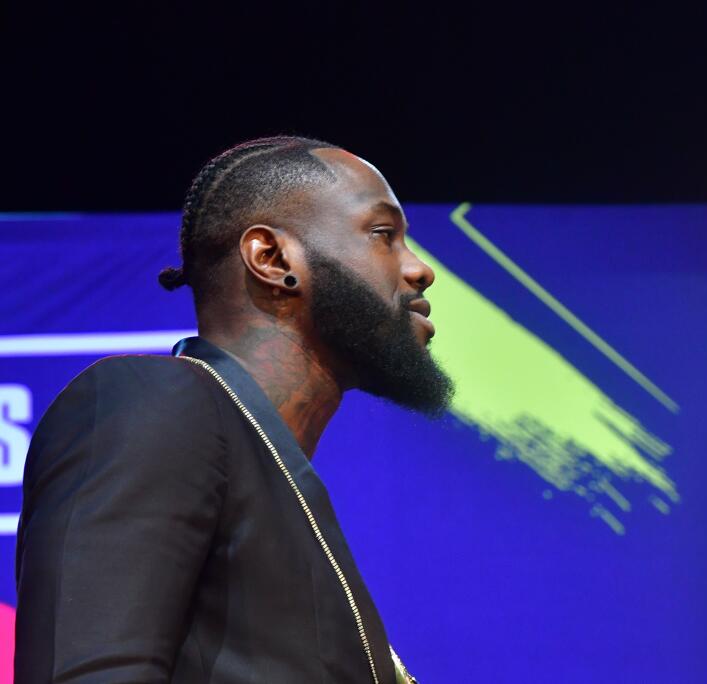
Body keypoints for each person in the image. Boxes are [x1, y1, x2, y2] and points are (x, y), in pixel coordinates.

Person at [15, 136, 452, 683]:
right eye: (384, 235)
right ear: (271, 258)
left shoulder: (281, 482)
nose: (419, 270)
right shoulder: (156, 402)